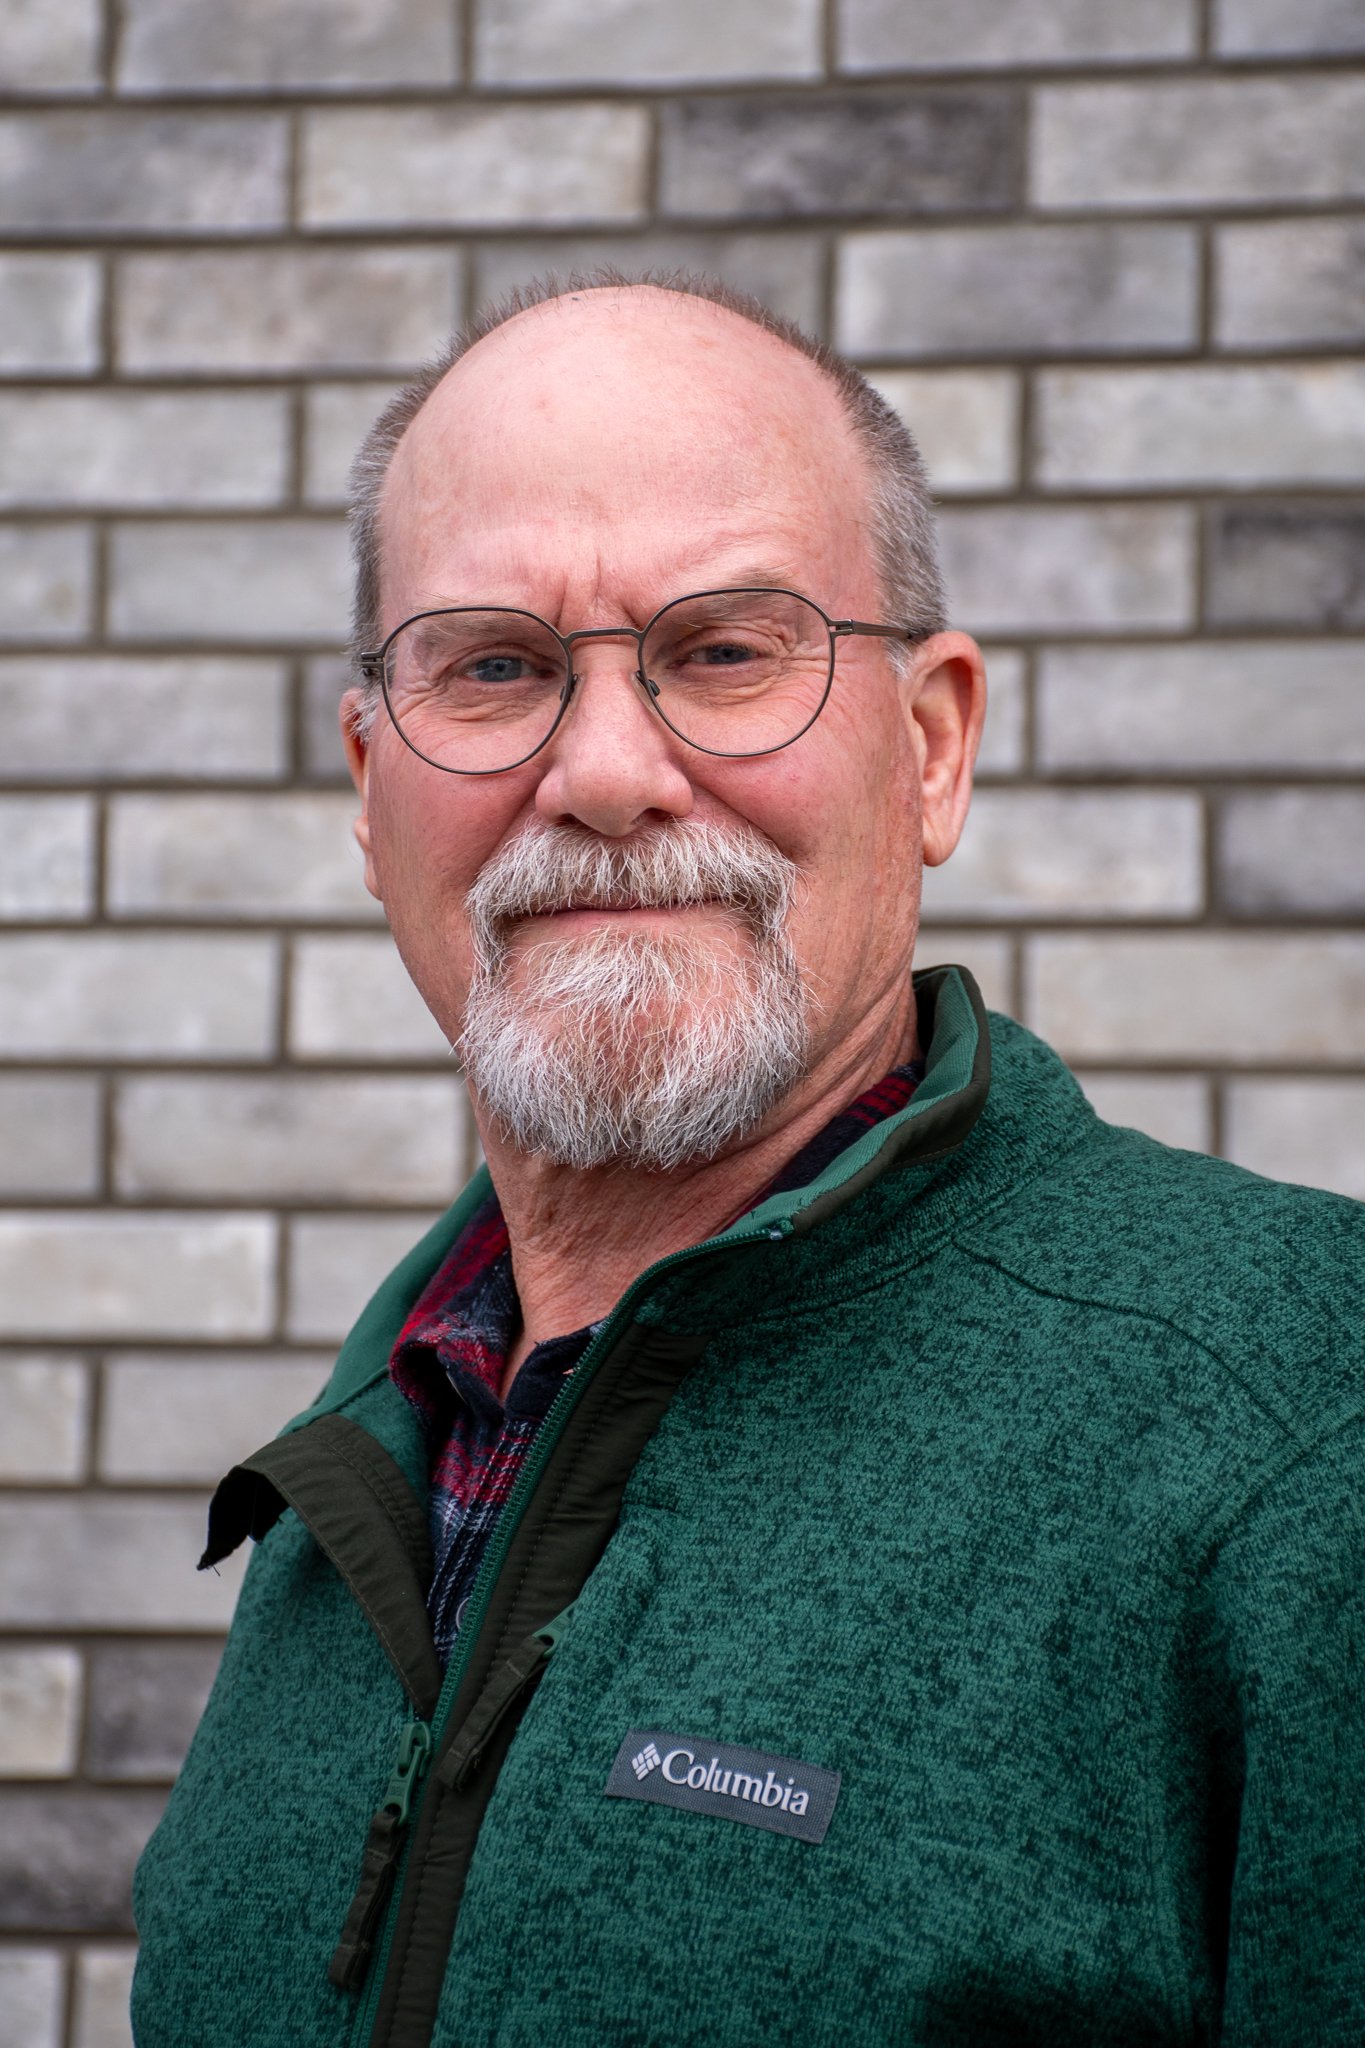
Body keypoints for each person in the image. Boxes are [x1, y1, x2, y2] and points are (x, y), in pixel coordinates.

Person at [131, 275, 1364, 2048]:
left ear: (929, 748)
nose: (603, 773)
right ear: (370, 781)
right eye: (493, 667)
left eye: (723, 651)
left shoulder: (1305, 1423)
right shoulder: (392, 1436)